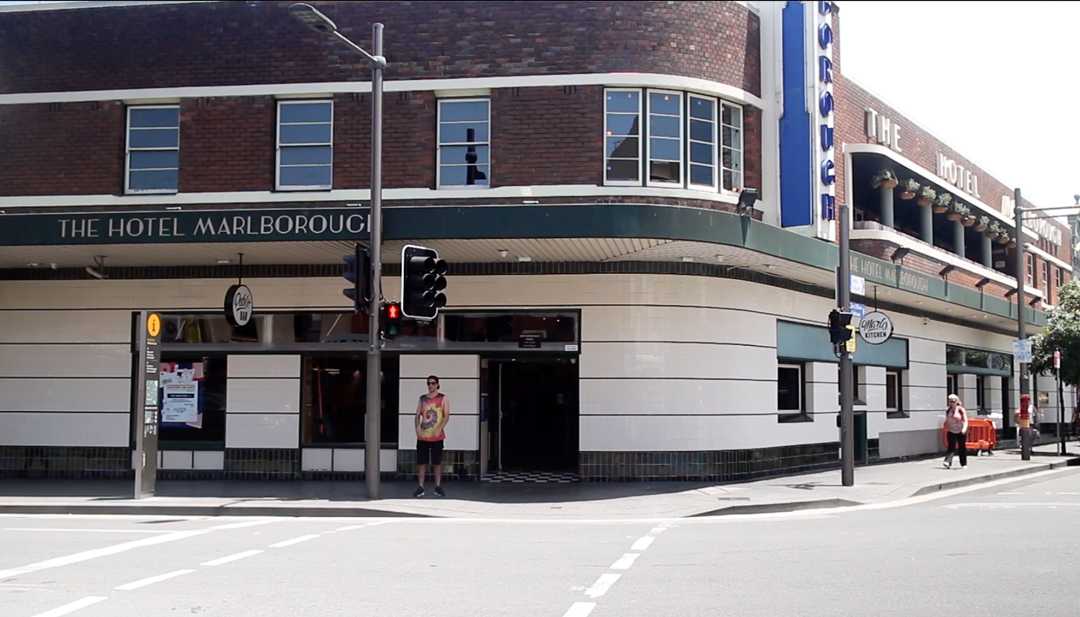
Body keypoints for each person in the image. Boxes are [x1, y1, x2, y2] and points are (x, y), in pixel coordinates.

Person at [414, 375, 450, 498]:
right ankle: (420, 487)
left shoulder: (443, 398)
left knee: (437, 462)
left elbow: (446, 415)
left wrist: (440, 428)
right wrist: (417, 427)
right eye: (429, 383)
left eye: (433, 383)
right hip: (423, 436)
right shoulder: (422, 399)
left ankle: (438, 486)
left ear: (437, 384)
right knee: (421, 462)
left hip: (437, 436)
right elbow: (417, 414)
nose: (431, 385)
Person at [943, 393, 968, 469]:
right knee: (951, 447)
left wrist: (964, 429)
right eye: (950, 401)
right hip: (951, 430)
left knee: (962, 447)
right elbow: (947, 420)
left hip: (960, 431)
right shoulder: (948, 410)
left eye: (953, 401)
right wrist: (946, 426)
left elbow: (965, 420)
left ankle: (963, 464)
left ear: (957, 401)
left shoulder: (960, 410)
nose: (951, 403)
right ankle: (947, 462)